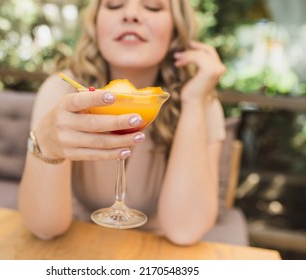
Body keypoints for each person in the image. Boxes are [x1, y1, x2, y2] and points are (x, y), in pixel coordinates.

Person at [19, 0, 226, 246]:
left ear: (175, 31)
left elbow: (185, 231)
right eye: (115, 5)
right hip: (77, 247)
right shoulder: (62, 92)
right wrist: (47, 144)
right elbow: (44, 228)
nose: (131, 14)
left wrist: (192, 102)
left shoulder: (202, 101)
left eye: (152, 7)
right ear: (95, 24)